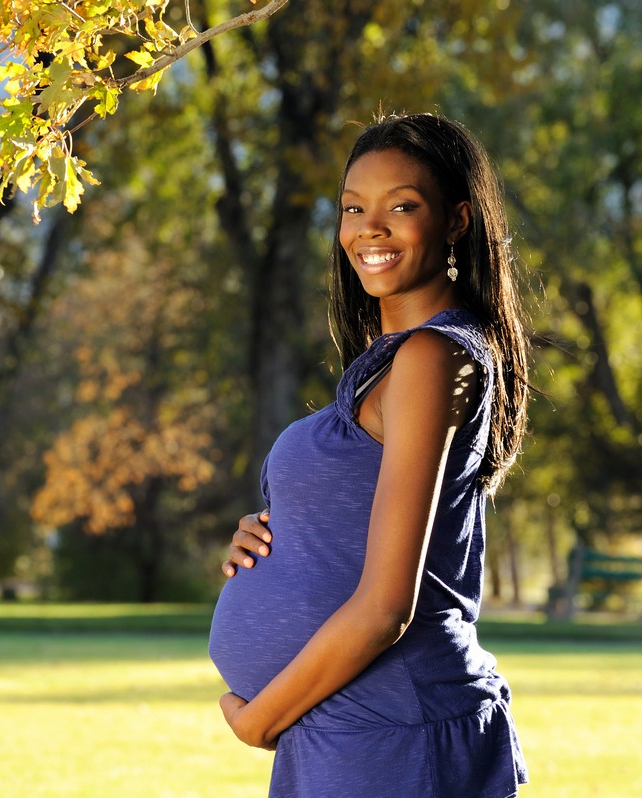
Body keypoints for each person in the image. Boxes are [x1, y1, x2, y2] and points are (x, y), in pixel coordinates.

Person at [207, 112, 531, 797]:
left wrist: (259, 721)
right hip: (347, 727)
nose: (369, 227)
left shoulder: (433, 357)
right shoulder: (389, 364)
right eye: (353, 208)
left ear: (456, 221)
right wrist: (277, 539)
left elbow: (389, 606)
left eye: (402, 206)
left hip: (390, 734)